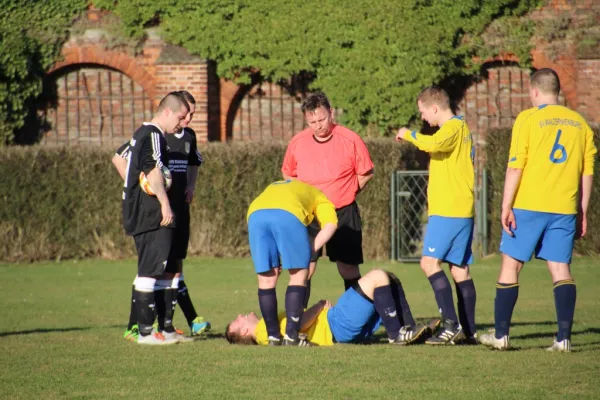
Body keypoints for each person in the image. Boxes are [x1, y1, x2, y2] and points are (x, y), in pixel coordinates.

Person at [479, 68, 596, 352]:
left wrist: (506, 205)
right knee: (560, 269)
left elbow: (516, 164)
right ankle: (564, 339)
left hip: (529, 205)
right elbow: (587, 172)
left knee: (511, 265)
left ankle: (502, 335)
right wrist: (582, 210)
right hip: (564, 207)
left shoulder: (529, 118)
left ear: (534, 91)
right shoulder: (581, 123)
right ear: (558, 91)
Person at [113, 91, 211, 342]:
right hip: (155, 212)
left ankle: (165, 328)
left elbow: (191, 164)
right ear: (169, 111)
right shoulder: (154, 135)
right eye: (182, 115)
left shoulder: (174, 135)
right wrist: (156, 198)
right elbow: (148, 169)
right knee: (150, 269)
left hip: (165, 211)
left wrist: (188, 187)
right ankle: (142, 330)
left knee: (167, 269)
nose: (184, 121)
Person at [395, 86, 476, 345]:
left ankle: (451, 324)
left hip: (449, 209)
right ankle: (468, 331)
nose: (423, 118)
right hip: (460, 208)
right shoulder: (460, 129)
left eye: (423, 112)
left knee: (429, 263)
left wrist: (408, 134)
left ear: (434, 107)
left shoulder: (451, 128)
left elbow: (434, 142)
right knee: (459, 270)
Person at [281, 92, 375, 307]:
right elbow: (287, 173)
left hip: (342, 212)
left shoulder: (350, 139)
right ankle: (296, 324)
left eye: (322, 119)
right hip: (309, 215)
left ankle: (356, 318)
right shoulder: (298, 142)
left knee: (348, 268)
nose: (318, 126)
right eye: (312, 122)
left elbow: (366, 172)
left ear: (331, 113)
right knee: (304, 267)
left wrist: (348, 192)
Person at [225, 269, 429, 346]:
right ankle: (397, 335)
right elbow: (298, 326)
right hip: (336, 324)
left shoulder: (266, 329)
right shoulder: (263, 331)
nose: (239, 315)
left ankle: (408, 329)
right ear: (243, 330)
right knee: (378, 277)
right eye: (237, 321)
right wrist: (319, 305)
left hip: (337, 325)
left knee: (389, 279)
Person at [246, 179, 338, 345]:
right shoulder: (321, 197)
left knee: (266, 279)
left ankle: (273, 337)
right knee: (298, 274)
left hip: (255, 214)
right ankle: (291, 336)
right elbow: (331, 224)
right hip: (289, 214)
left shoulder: (283, 184)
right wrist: (312, 249)